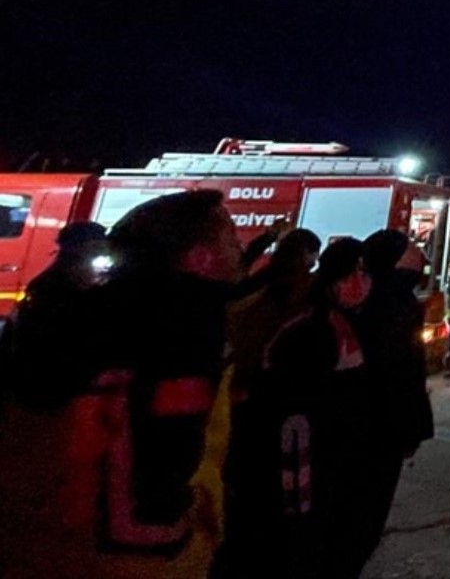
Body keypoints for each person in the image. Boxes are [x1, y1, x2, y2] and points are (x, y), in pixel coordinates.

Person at [0, 190, 243, 579]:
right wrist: (193, 538)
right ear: (199, 257)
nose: (241, 247)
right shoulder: (183, 327)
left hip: (46, 541)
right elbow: (168, 457)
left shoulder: (89, 310)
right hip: (133, 556)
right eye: (230, 237)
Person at [257, 237, 376, 579]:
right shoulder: (314, 325)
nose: (363, 280)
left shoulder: (338, 319)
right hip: (312, 451)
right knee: (304, 537)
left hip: (332, 451)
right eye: (358, 271)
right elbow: (306, 399)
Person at [213, 226, 321, 579]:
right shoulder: (298, 291)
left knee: (240, 478)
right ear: (305, 255)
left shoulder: (255, 282)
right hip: (270, 396)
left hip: (235, 389)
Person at [352, 229, 436, 563]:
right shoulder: (391, 304)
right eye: (413, 248)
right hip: (381, 427)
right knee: (366, 511)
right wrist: (410, 426)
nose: (420, 254)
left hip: (380, 425)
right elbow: (400, 373)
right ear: (396, 259)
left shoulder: (386, 297)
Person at [5, 220, 110, 408]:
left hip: (41, 383)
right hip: (49, 387)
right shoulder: (59, 287)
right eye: (96, 245)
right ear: (80, 248)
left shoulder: (50, 282)